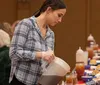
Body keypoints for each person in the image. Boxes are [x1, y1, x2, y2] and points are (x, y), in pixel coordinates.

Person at [9, 0, 67, 85]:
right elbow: (14, 53)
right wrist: (41, 54)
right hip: (20, 81)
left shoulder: (51, 34)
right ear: (49, 10)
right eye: (59, 15)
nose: (60, 20)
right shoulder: (26, 24)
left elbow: (46, 62)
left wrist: (56, 66)